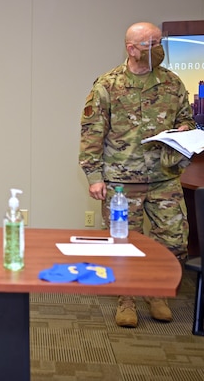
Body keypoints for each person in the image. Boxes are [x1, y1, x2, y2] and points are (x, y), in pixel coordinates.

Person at [79, 22, 195, 328]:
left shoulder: (172, 83)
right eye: (151, 43)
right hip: (121, 180)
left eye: (159, 41)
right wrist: (94, 176)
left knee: (174, 240)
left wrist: (185, 129)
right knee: (123, 243)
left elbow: (187, 119)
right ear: (132, 49)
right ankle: (126, 298)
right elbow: (92, 132)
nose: (159, 48)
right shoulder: (108, 84)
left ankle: (155, 292)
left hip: (164, 177)